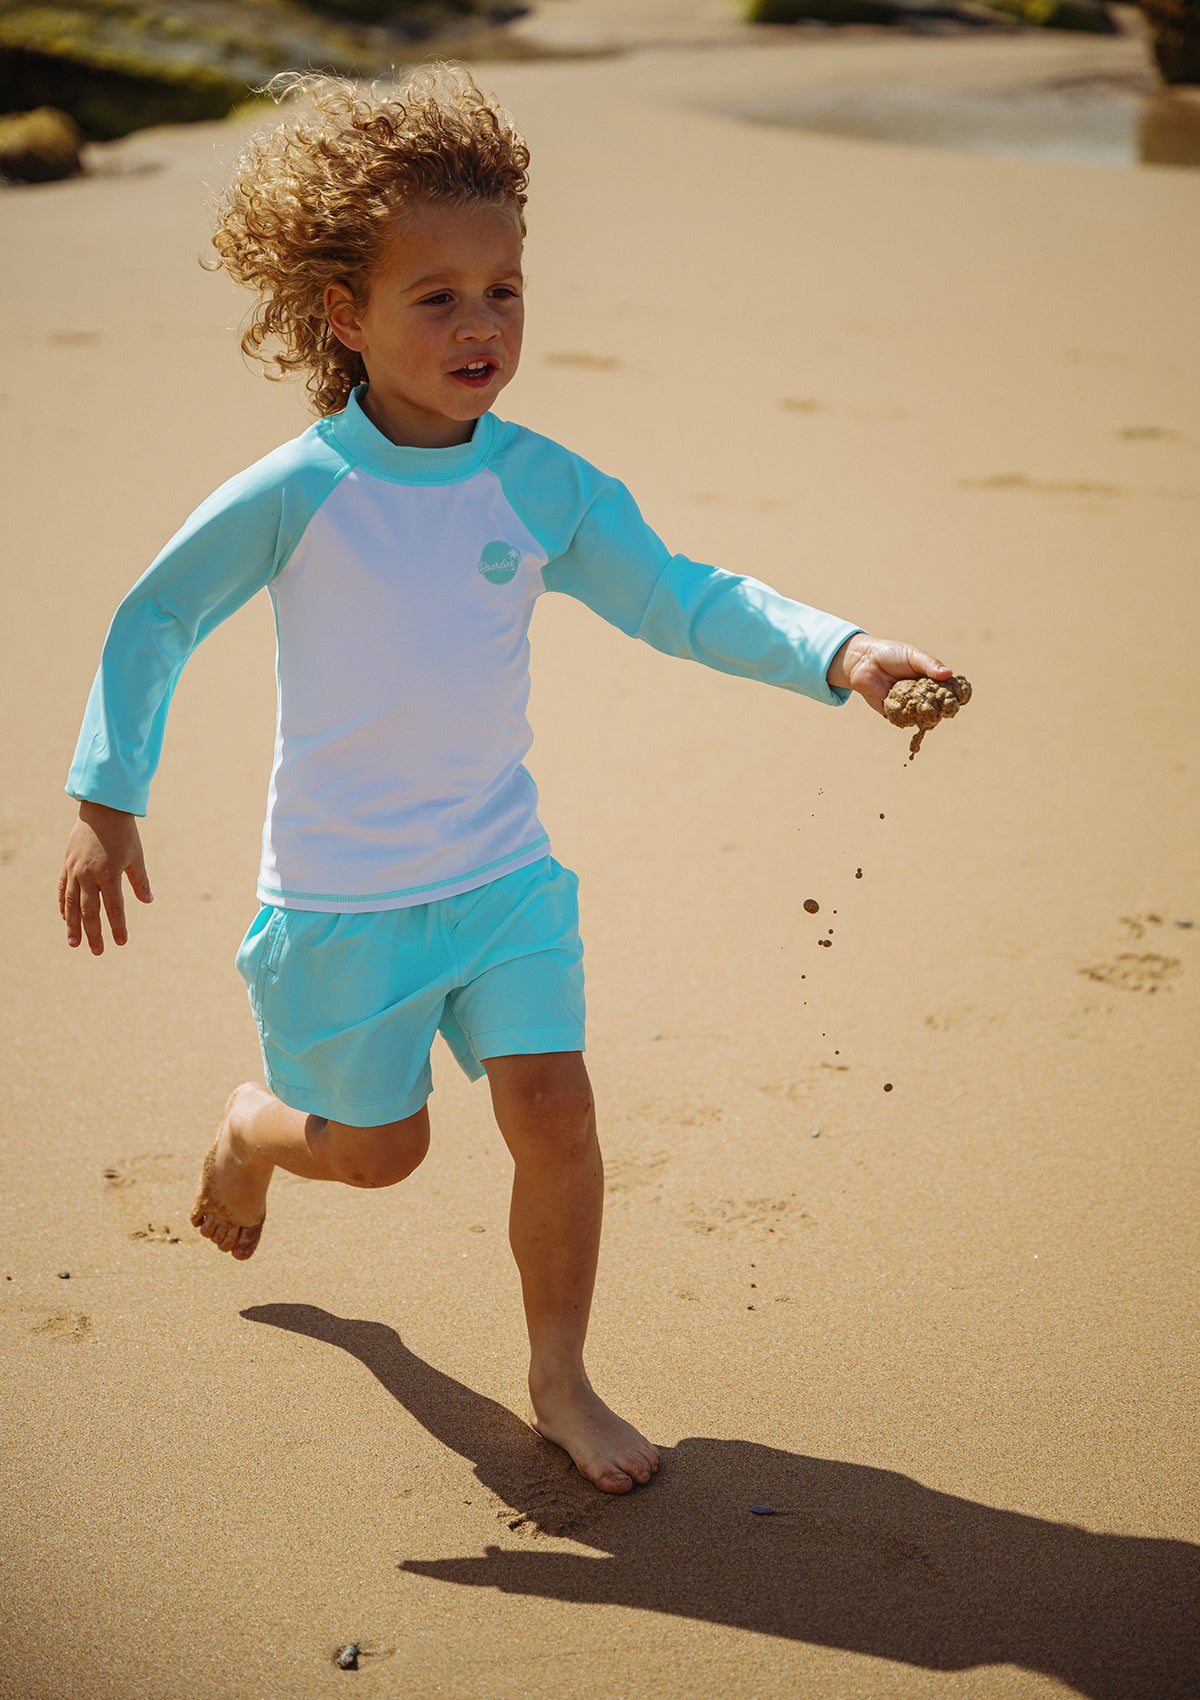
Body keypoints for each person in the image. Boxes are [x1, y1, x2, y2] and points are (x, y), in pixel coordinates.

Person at [58, 67, 953, 1496]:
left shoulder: (539, 485)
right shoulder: (301, 491)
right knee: (379, 1154)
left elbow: (679, 596)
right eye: (440, 297)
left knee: (555, 1113)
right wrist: (109, 798)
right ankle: (252, 1133)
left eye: (507, 290)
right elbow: (156, 614)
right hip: (343, 900)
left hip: (502, 878)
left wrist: (837, 651)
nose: (483, 325)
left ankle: (561, 1377)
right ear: (346, 316)